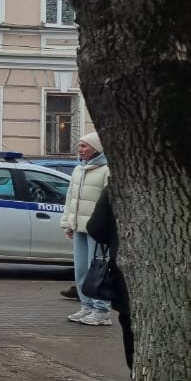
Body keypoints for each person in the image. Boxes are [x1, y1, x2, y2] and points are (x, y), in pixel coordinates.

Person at [60, 132, 113, 325]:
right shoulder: (78, 170)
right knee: (81, 269)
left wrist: (105, 227)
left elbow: (110, 202)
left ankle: (102, 310)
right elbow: (70, 199)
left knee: (97, 270)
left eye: (84, 146)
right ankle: (87, 306)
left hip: (97, 229)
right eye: (79, 146)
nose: (80, 149)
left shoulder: (107, 170)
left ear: (96, 148)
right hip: (79, 227)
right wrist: (68, 223)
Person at [85, 187, 133, 381]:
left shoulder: (117, 187)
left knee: (129, 319)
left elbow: (95, 228)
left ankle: (136, 372)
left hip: (125, 263)